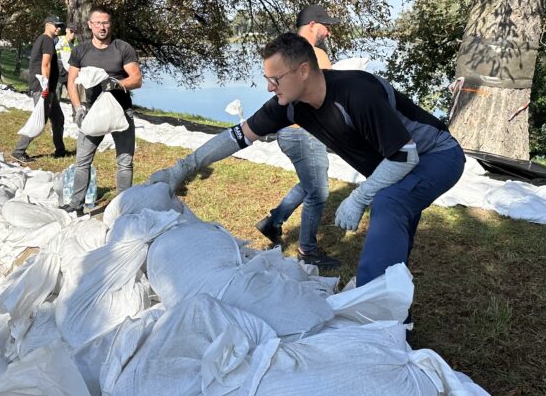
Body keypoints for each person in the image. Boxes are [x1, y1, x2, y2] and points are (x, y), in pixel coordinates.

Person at [149, 32, 465, 291]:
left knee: (389, 202)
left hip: (436, 155)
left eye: (275, 79)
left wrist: (359, 196)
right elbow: (237, 136)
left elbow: (404, 154)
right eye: (267, 79)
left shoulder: (357, 93)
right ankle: (388, 291)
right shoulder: (289, 105)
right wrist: (182, 168)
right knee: (395, 215)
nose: (269, 87)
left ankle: (378, 312)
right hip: (397, 162)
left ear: (302, 71)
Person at [254, 5, 339, 268]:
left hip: (287, 132)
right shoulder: (316, 55)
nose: (328, 31)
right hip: (305, 133)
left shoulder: (285, 55)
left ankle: (273, 222)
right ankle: (307, 251)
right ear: (313, 25)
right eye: (326, 25)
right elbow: (329, 94)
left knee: (309, 182)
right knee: (318, 193)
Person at [62, 6, 143, 215]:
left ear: (110, 24)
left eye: (105, 22)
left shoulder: (122, 48)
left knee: (125, 162)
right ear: (90, 25)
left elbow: (136, 78)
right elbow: (71, 82)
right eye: (97, 22)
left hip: (121, 111)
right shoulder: (80, 50)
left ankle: (122, 208)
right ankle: (76, 205)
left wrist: (116, 84)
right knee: (82, 161)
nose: (102, 27)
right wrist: (78, 108)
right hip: (91, 113)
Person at [11, 15, 68, 163]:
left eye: (60, 26)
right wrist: (45, 86)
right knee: (40, 120)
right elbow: (45, 64)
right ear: (47, 25)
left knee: (58, 118)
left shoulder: (44, 39)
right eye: (56, 25)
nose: (59, 28)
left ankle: (60, 151)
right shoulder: (47, 40)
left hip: (48, 88)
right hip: (43, 88)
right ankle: (18, 151)